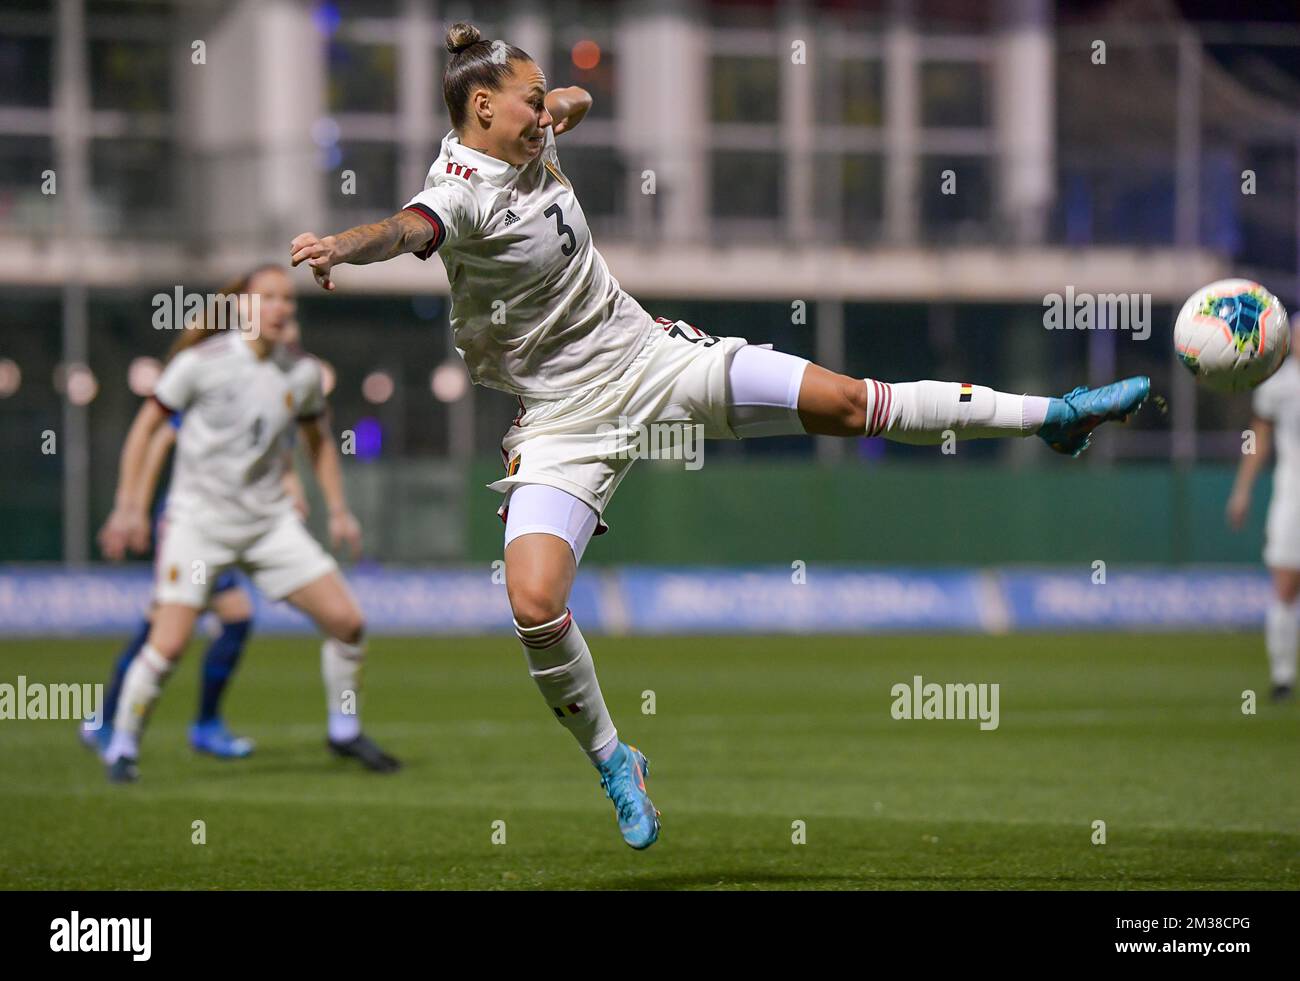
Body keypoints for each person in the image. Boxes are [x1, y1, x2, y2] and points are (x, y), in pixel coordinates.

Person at [289, 22, 1149, 849]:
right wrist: (339, 244)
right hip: (562, 418)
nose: (543, 109)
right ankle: (614, 760)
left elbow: (574, 101)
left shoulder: (529, 137)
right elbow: (403, 230)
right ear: (482, 110)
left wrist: (557, 105)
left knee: (848, 400)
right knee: (533, 604)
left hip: (654, 358)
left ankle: (1055, 416)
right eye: (529, 98)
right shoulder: (458, 195)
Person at [98, 264, 399, 782]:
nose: (283, 308)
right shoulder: (201, 363)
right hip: (199, 525)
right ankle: (121, 746)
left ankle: (344, 731)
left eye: (289, 300)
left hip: (268, 527)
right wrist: (129, 505)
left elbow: (319, 441)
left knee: (348, 624)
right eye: (271, 298)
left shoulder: (301, 373)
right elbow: (146, 429)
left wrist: (339, 508)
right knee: (168, 644)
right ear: (243, 306)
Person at [1228, 353, 1300, 702]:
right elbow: (1258, 440)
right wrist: (1242, 491)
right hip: (1293, 493)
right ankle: (1282, 676)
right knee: (1286, 584)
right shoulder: (1276, 384)